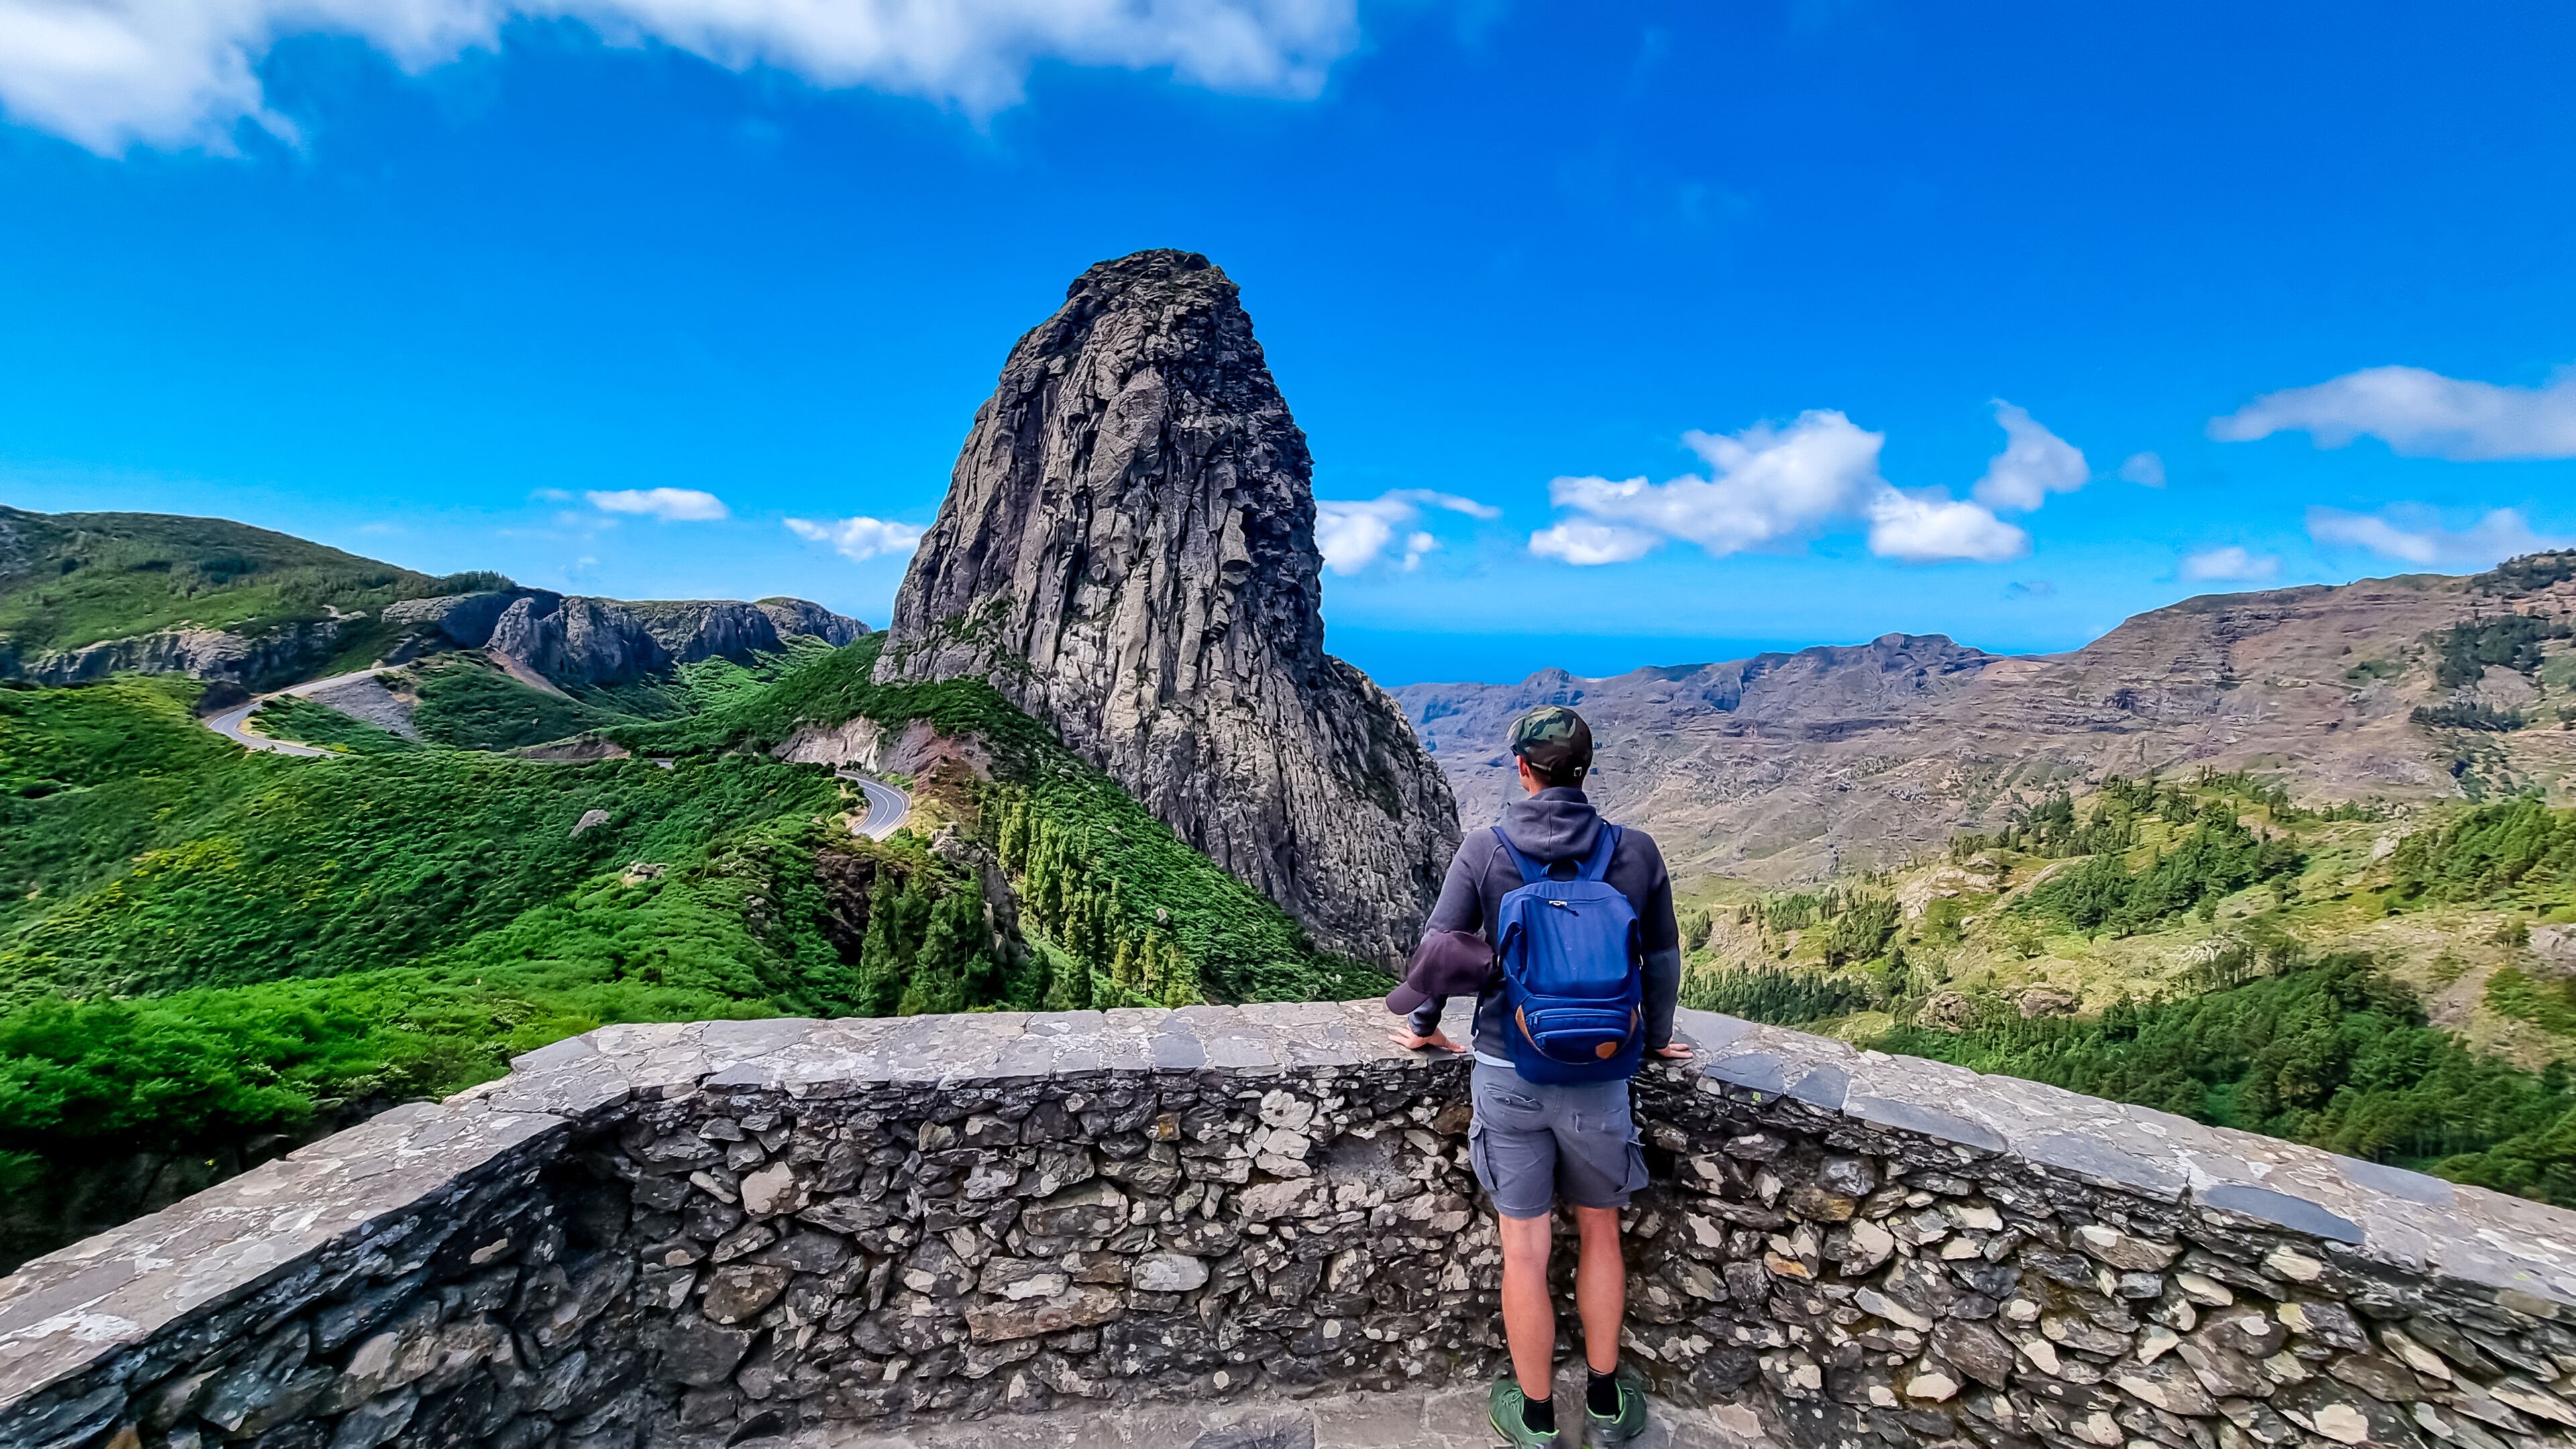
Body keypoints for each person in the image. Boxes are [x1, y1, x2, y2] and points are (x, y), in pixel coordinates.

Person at [1385, 704, 1689, 1448]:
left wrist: (1425, 1030)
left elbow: (1440, 954)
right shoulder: (1637, 852)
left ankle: (1539, 1418)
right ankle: (1610, 1406)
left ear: (1523, 769)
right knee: (1601, 1234)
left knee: (1523, 1247)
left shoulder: (1486, 850)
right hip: (1603, 1078)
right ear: (1585, 768)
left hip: (1506, 1069)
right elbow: (1661, 960)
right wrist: (1655, 1039)